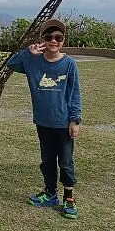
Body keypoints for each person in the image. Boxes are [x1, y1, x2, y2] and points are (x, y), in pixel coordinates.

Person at [6, 18, 82, 219]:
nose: (53, 41)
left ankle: (69, 198)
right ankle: (50, 193)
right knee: (47, 160)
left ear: (63, 40)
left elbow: (74, 94)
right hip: (42, 121)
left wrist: (75, 120)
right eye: (49, 37)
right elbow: (10, 64)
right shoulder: (32, 62)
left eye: (58, 37)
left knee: (65, 161)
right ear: (42, 40)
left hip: (63, 123)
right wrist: (27, 52)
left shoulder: (69, 64)